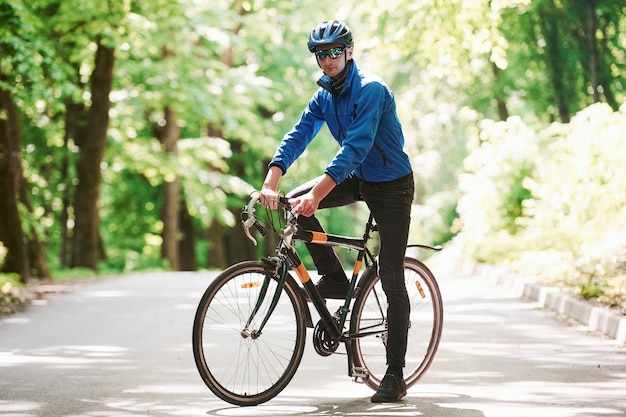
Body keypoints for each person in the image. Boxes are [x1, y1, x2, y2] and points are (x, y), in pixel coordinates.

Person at [260, 20, 414, 403]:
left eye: (333, 52)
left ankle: (394, 375)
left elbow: (357, 146)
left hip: (392, 186)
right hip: (357, 178)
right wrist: (272, 180)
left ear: (348, 52)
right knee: (294, 205)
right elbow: (299, 134)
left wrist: (320, 191)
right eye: (320, 54)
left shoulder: (371, 89)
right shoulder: (325, 96)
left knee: (391, 276)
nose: (327, 60)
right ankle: (332, 277)